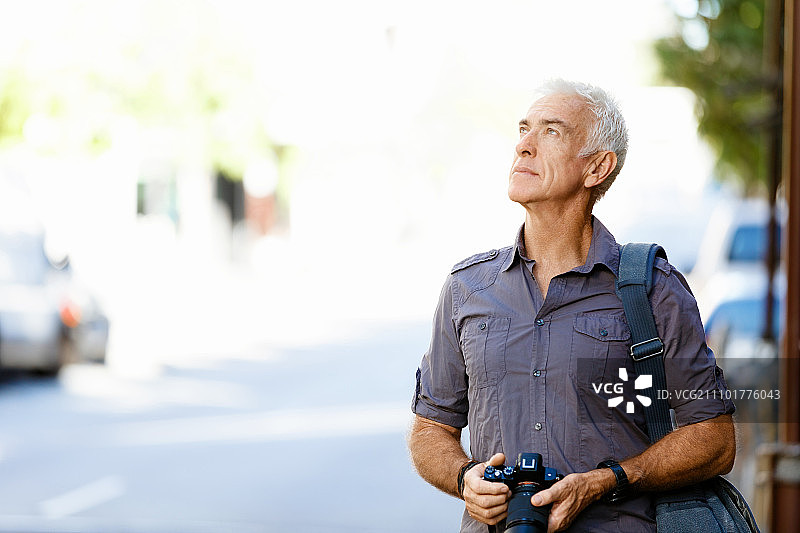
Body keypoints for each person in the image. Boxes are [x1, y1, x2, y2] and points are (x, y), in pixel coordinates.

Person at [407, 79, 736, 533]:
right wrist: (465, 478)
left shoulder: (653, 290)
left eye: (551, 132)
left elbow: (715, 439)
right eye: (523, 130)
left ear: (597, 167)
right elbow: (430, 430)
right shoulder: (467, 287)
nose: (523, 146)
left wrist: (608, 481)